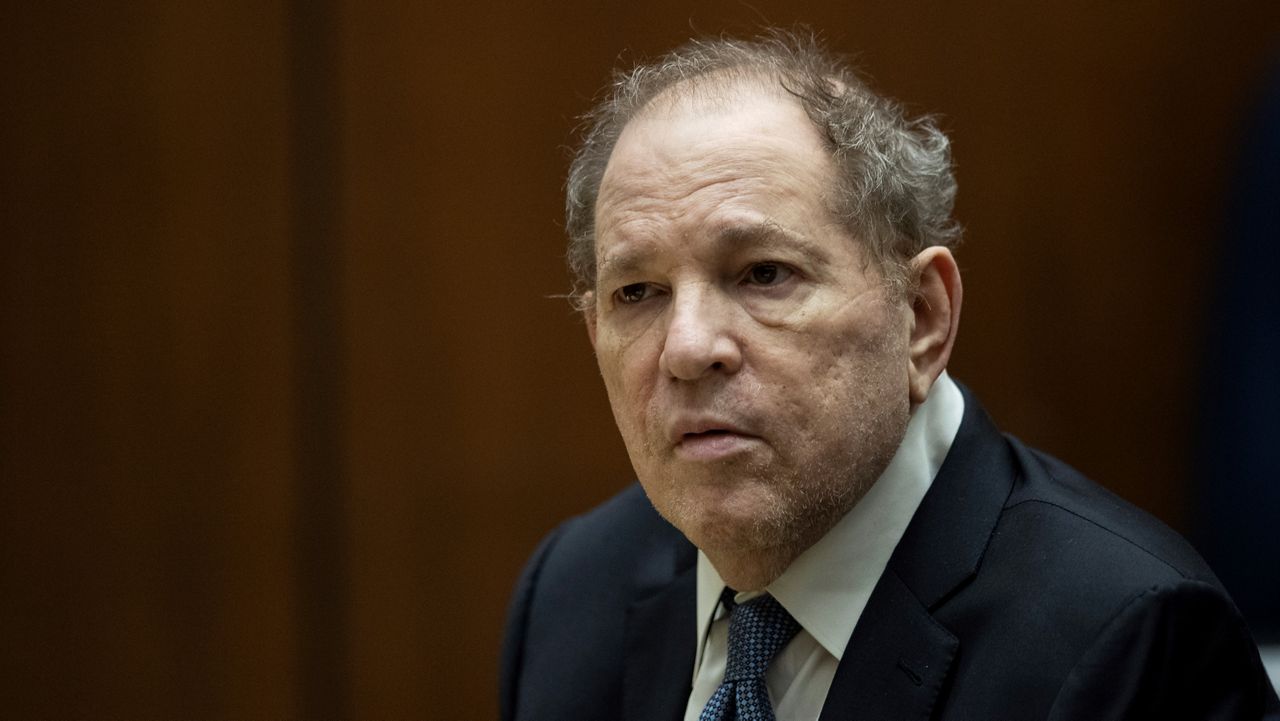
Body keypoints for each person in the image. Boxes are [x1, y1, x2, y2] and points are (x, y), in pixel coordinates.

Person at [499, 29, 1280, 721]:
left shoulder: (1129, 640)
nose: (687, 346)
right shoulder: (573, 592)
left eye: (763, 273)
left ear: (922, 316)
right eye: (638, 292)